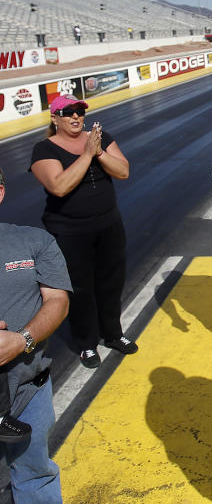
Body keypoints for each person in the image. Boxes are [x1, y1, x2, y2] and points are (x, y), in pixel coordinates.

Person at [30, 94, 134, 369]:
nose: (75, 116)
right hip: (70, 232)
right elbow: (59, 186)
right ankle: (87, 343)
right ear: (55, 118)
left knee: (111, 283)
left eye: (79, 111)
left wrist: (99, 151)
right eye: (67, 112)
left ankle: (113, 333)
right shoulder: (44, 150)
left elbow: (123, 171)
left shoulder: (100, 138)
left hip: (108, 225)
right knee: (80, 289)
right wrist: (88, 154)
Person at [0, 165, 71, 504]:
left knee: (34, 474)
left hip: (28, 390)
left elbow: (57, 300)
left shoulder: (35, 241)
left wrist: (21, 340)